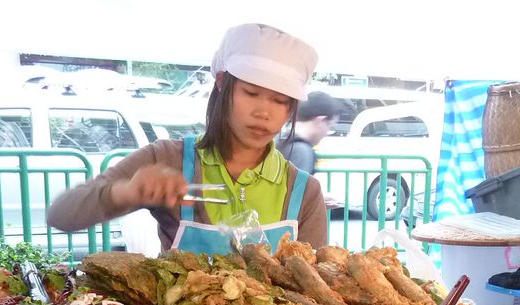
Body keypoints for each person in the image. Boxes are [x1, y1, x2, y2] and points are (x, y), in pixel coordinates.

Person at [46, 23, 328, 254]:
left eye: (279, 101)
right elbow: (60, 215)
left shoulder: (304, 192)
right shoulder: (168, 159)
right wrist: (126, 192)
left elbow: (316, 291)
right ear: (221, 83)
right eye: (251, 93)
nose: (263, 112)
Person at [277, 91, 343, 174]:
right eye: (330, 126)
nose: (326, 133)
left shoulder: (280, 140)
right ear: (321, 120)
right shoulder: (302, 151)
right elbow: (299, 186)